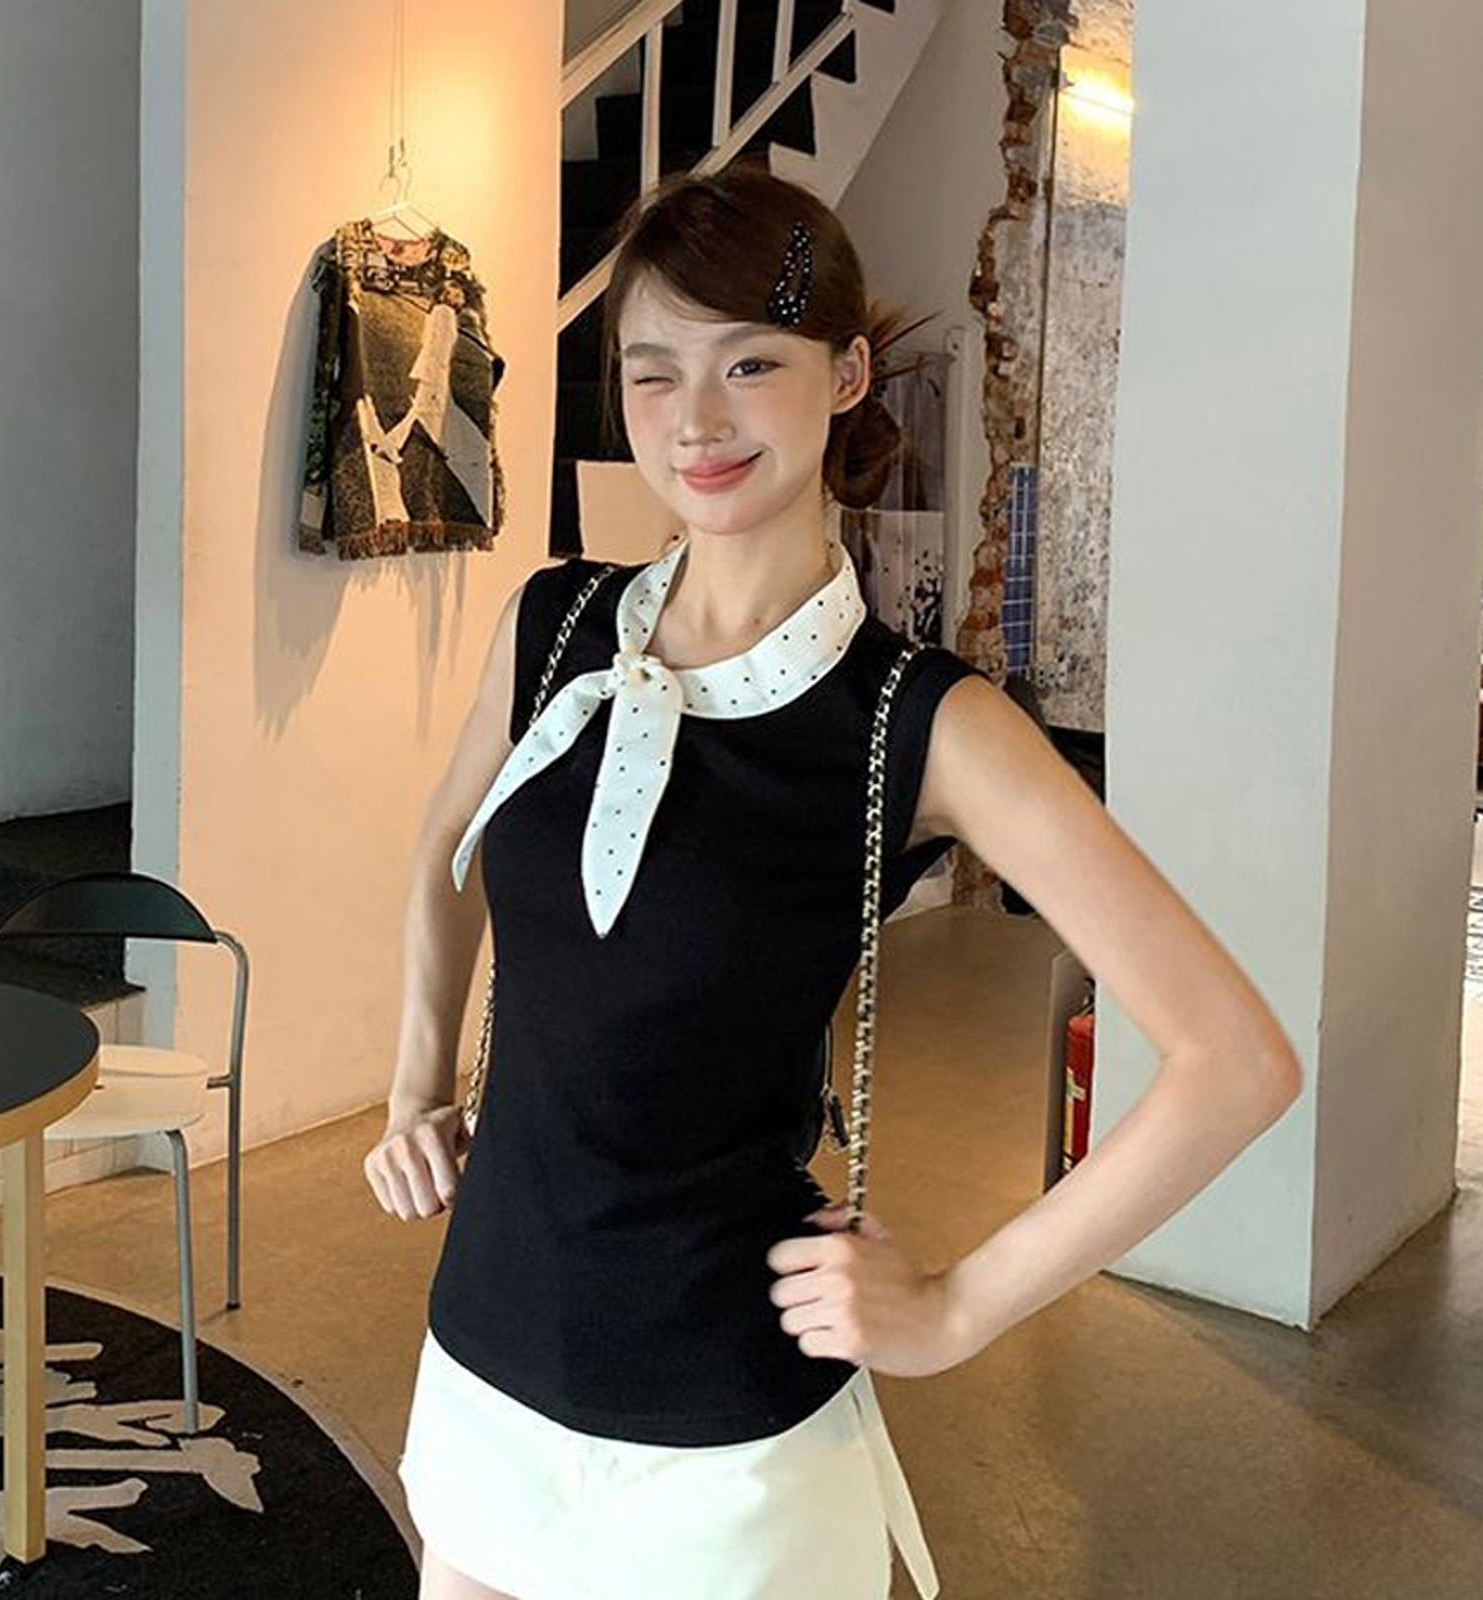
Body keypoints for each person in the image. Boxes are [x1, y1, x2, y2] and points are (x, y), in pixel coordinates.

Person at [363, 165, 1302, 1600]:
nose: (697, 419)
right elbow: (449, 847)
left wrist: (957, 1309)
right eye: (654, 371)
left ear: (847, 372)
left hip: (726, 1439)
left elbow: (1235, 1060)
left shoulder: (920, 722)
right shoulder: (550, 625)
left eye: (751, 363)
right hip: (485, 1361)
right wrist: (415, 1080)